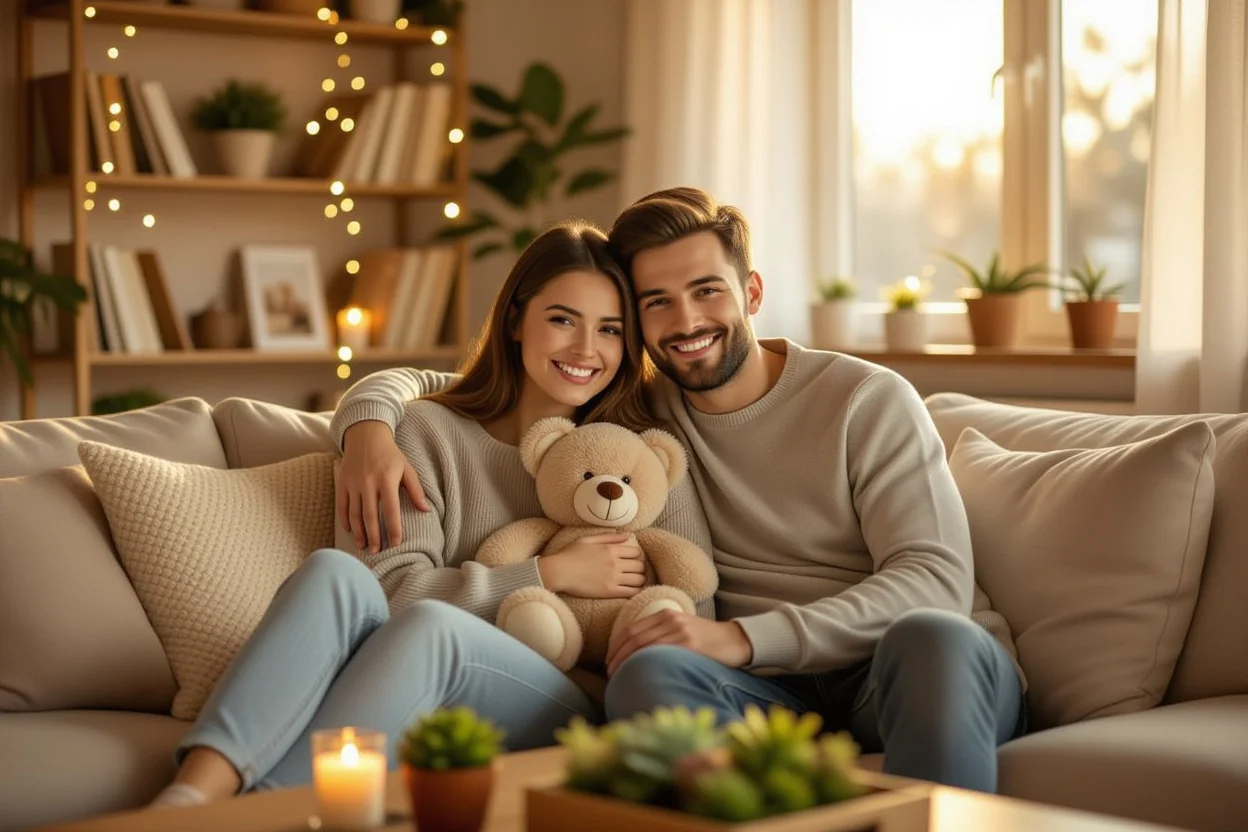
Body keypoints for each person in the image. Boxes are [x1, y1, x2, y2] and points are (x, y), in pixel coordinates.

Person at [330, 188, 1027, 794]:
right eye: (656, 303)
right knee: (647, 676)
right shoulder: (638, 415)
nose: (686, 322)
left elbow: (935, 578)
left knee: (938, 637)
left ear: (751, 293)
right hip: (765, 700)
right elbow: (458, 386)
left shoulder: (864, 400)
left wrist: (741, 638)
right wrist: (367, 424)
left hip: (906, 673)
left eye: (707, 292)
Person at [149, 221, 712, 809]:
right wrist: (546, 576)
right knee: (332, 574)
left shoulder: (639, 457)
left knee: (432, 627)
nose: (585, 350)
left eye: (611, 329)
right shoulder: (422, 431)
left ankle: (265, 813)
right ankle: (188, 797)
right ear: (517, 321)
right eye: (563, 319)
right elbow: (389, 592)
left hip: (568, 698)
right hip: (417, 664)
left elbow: (696, 608)